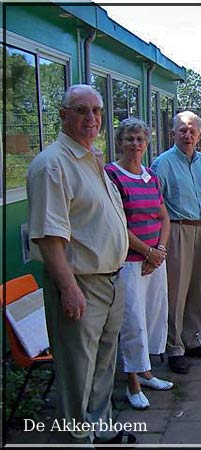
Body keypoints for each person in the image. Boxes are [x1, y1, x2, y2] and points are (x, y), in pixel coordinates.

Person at [26, 84, 136, 445]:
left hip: (110, 281)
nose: (91, 118)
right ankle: (76, 439)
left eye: (97, 111)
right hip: (81, 284)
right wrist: (69, 289)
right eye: (81, 110)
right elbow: (49, 237)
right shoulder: (52, 164)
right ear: (63, 115)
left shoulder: (90, 159)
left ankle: (100, 429)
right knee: (78, 371)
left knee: (104, 364)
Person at [105, 118, 173, 410]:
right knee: (132, 321)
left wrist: (159, 251)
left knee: (154, 316)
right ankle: (132, 383)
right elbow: (117, 223)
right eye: (129, 138)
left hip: (154, 261)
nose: (135, 144)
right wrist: (147, 252)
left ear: (147, 144)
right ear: (119, 142)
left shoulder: (150, 176)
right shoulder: (111, 174)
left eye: (140, 139)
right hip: (129, 262)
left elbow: (164, 217)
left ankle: (146, 373)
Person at [151, 111, 201, 375]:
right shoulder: (163, 164)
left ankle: (192, 340)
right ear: (173, 133)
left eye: (192, 130)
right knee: (175, 292)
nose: (187, 134)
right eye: (182, 130)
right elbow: (157, 206)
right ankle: (174, 347)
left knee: (194, 290)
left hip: (200, 231)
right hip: (177, 231)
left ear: (199, 135)